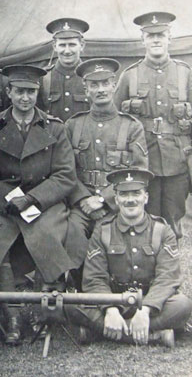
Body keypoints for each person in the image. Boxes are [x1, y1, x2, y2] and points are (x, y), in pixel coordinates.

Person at [0, 64, 78, 345]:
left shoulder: (54, 128)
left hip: (43, 202)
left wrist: (32, 198)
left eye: (31, 92)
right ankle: (13, 315)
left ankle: (45, 312)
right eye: (19, 91)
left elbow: (65, 175)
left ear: (37, 93)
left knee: (47, 235)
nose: (25, 98)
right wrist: (10, 198)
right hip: (3, 205)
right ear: (8, 92)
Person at [114, 12, 192, 239]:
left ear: (170, 37)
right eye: (151, 35)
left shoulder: (184, 73)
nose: (156, 40)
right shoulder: (130, 75)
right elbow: (114, 120)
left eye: (161, 35)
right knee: (143, 217)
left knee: (173, 215)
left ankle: (170, 267)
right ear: (143, 40)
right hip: (141, 159)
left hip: (177, 160)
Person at [66, 168, 192, 348]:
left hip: (150, 303)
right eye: (124, 194)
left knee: (182, 305)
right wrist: (110, 310)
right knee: (70, 305)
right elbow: (94, 278)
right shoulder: (103, 230)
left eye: (136, 193)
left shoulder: (162, 230)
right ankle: (153, 335)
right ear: (116, 199)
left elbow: (168, 277)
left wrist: (145, 311)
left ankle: (104, 331)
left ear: (146, 197)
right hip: (113, 300)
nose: (130, 200)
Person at [63, 58, 148, 275]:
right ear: (86, 89)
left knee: (116, 235)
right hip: (80, 203)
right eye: (94, 85)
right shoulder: (73, 125)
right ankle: (75, 283)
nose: (100, 90)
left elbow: (139, 171)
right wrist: (84, 200)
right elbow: (64, 170)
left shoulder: (130, 126)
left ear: (113, 85)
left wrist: (103, 199)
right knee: (72, 231)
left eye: (105, 84)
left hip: (117, 203)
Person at [38, 18, 90, 122]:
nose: (67, 51)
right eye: (62, 45)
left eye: (72, 45)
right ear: (54, 47)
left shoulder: (90, 76)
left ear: (82, 45)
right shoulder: (43, 77)